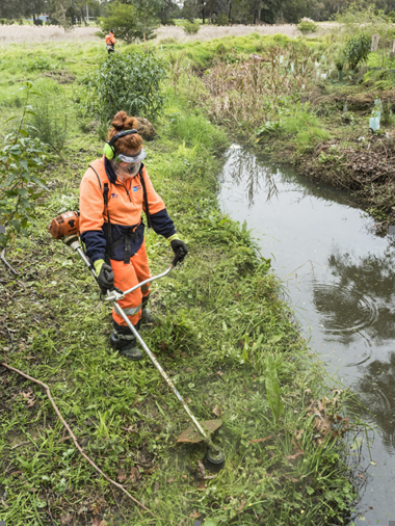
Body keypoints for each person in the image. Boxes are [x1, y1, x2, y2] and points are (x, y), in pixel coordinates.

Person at [79, 111, 188, 360]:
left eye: (136, 163)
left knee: (145, 281)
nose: (133, 169)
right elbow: (90, 225)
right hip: (113, 244)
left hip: (135, 239)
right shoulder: (94, 178)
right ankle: (123, 340)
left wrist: (173, 237)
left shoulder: (138, 171)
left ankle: (141, 314)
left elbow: (154, 205)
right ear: (112, 157)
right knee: (129, 297)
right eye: (127, 165)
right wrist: (97, 262)